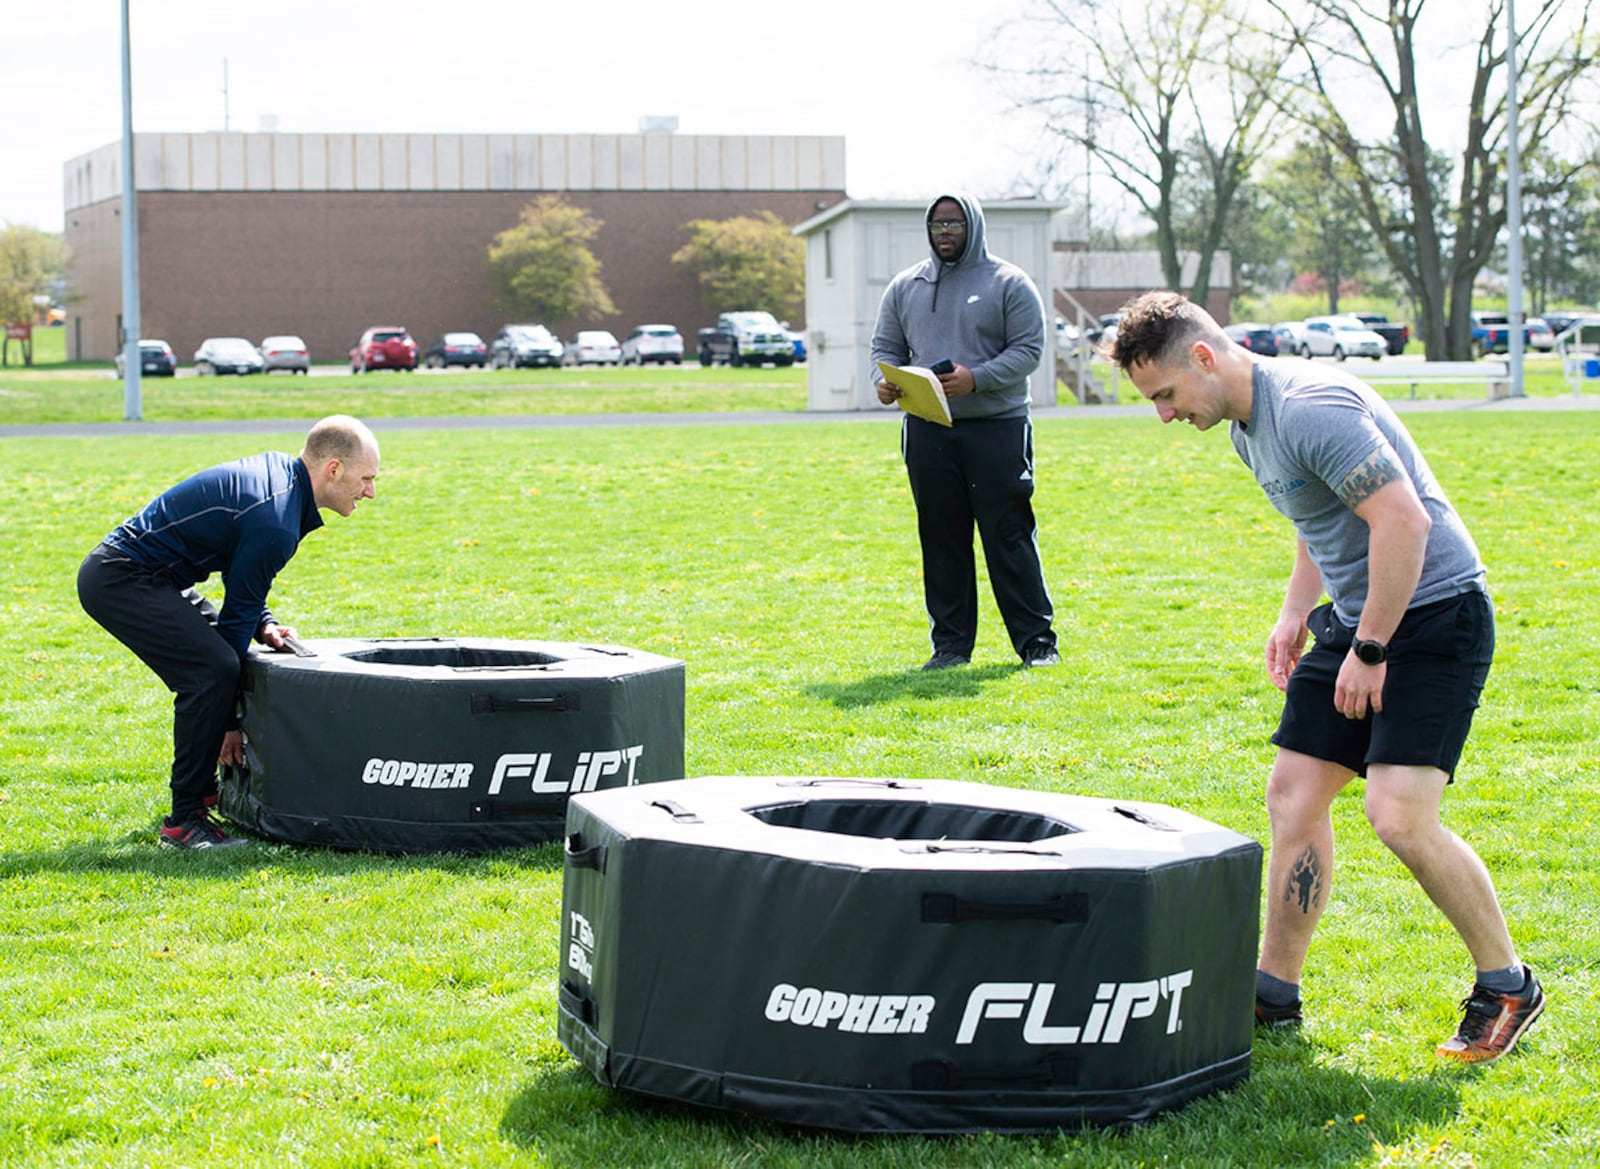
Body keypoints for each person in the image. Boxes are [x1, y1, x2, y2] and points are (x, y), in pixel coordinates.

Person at [1108, 291, 1543, 1063]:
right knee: (1294, 795)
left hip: (1434, 612)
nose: (1165, 416)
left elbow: (1402, 521)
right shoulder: (1247, 427)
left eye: (1166, 395)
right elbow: (1323, 519)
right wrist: (1293, 613)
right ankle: (1274, 993)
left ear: (1203, 358)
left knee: (1399, 815)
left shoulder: (1309, 407)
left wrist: (1370, 649)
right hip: (1359, 615)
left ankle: (1507, 983)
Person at [78, 415, 381, 850]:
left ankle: (201, 803)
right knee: (212, 673)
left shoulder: (284, 485)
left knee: (217, 667)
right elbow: (234, 624)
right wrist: (228, 723)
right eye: (366, 478)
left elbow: (244, 591)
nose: (370, 490)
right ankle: (185, 822)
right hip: (122, 580)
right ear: (333, 469)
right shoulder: (276, 518)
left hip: (152, 577)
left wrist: (266, 622)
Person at [872, 192, 1059, 670]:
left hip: (997, 428)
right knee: (941, 539)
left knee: (1009, 535)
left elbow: (1029, 350)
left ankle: (1037, 644)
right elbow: (885, 348)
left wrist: (977, 378)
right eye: (937, 225)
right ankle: (951, 647)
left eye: (954, 224)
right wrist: (885, 384)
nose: (945, 233)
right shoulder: (905, 286)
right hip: (929, 431)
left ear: (972, 225)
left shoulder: (1009, 283)